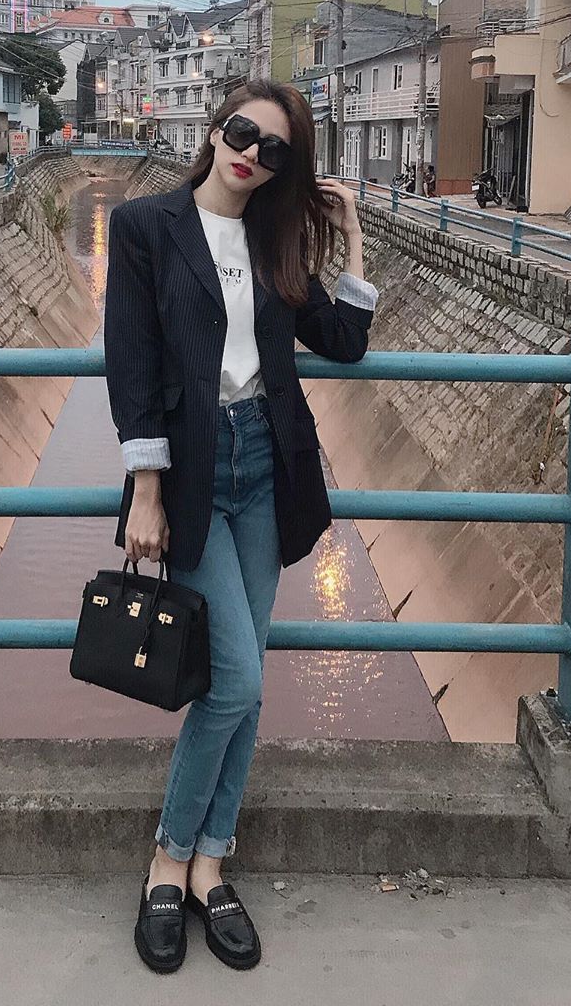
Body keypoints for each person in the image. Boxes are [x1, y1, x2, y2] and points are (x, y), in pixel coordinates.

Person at [104, 78, 379, 973]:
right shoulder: (146, 227)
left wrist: (350, 235)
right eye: (241, 132)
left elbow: (344, 341)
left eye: (274, 149)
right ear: (215, 129)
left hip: (266, 462)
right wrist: (146, 489)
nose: (251, 153)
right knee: (234, 680)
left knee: (246, 682)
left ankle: (210, 862)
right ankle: (169, 860)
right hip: (187, 474)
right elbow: (131, 365)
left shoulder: (275, 240)